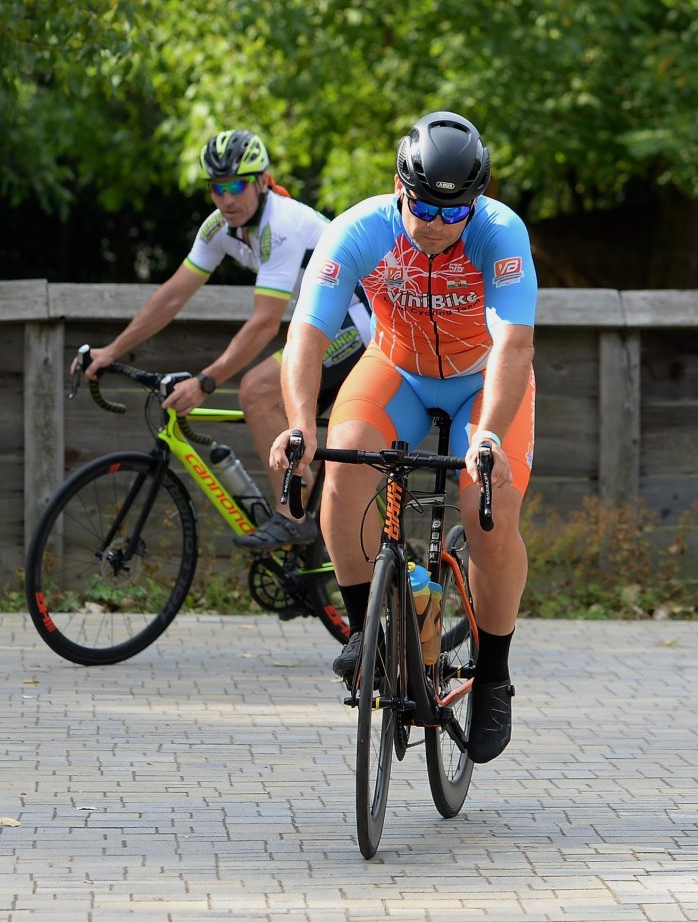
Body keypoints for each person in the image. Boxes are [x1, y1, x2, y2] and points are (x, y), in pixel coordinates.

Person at [273, 111, 536, 764]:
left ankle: (494, 674)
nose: (438, 224)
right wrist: (301, 423)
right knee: (343, 469)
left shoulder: (500, 233)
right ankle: (365, 627)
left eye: (456, 212)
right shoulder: (358, 230)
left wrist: (490, 436)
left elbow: (514, 344)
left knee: (489, 508)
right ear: (399, 187)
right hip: (397, 370)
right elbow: (306, 333)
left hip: (483, 381)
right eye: (423, 207)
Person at [78, 129, 373, 548]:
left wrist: (205, 382)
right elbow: (172, 295)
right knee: (266, 395)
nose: (226, 198)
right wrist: (111, 351)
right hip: (325, 321)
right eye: (217, 188)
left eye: (236, 186)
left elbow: (265, 324)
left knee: (256, 391)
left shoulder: (282, 224)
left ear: (262, 181)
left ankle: (293, 514)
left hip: (358, 321)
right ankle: (304, 501)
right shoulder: (220, 227)